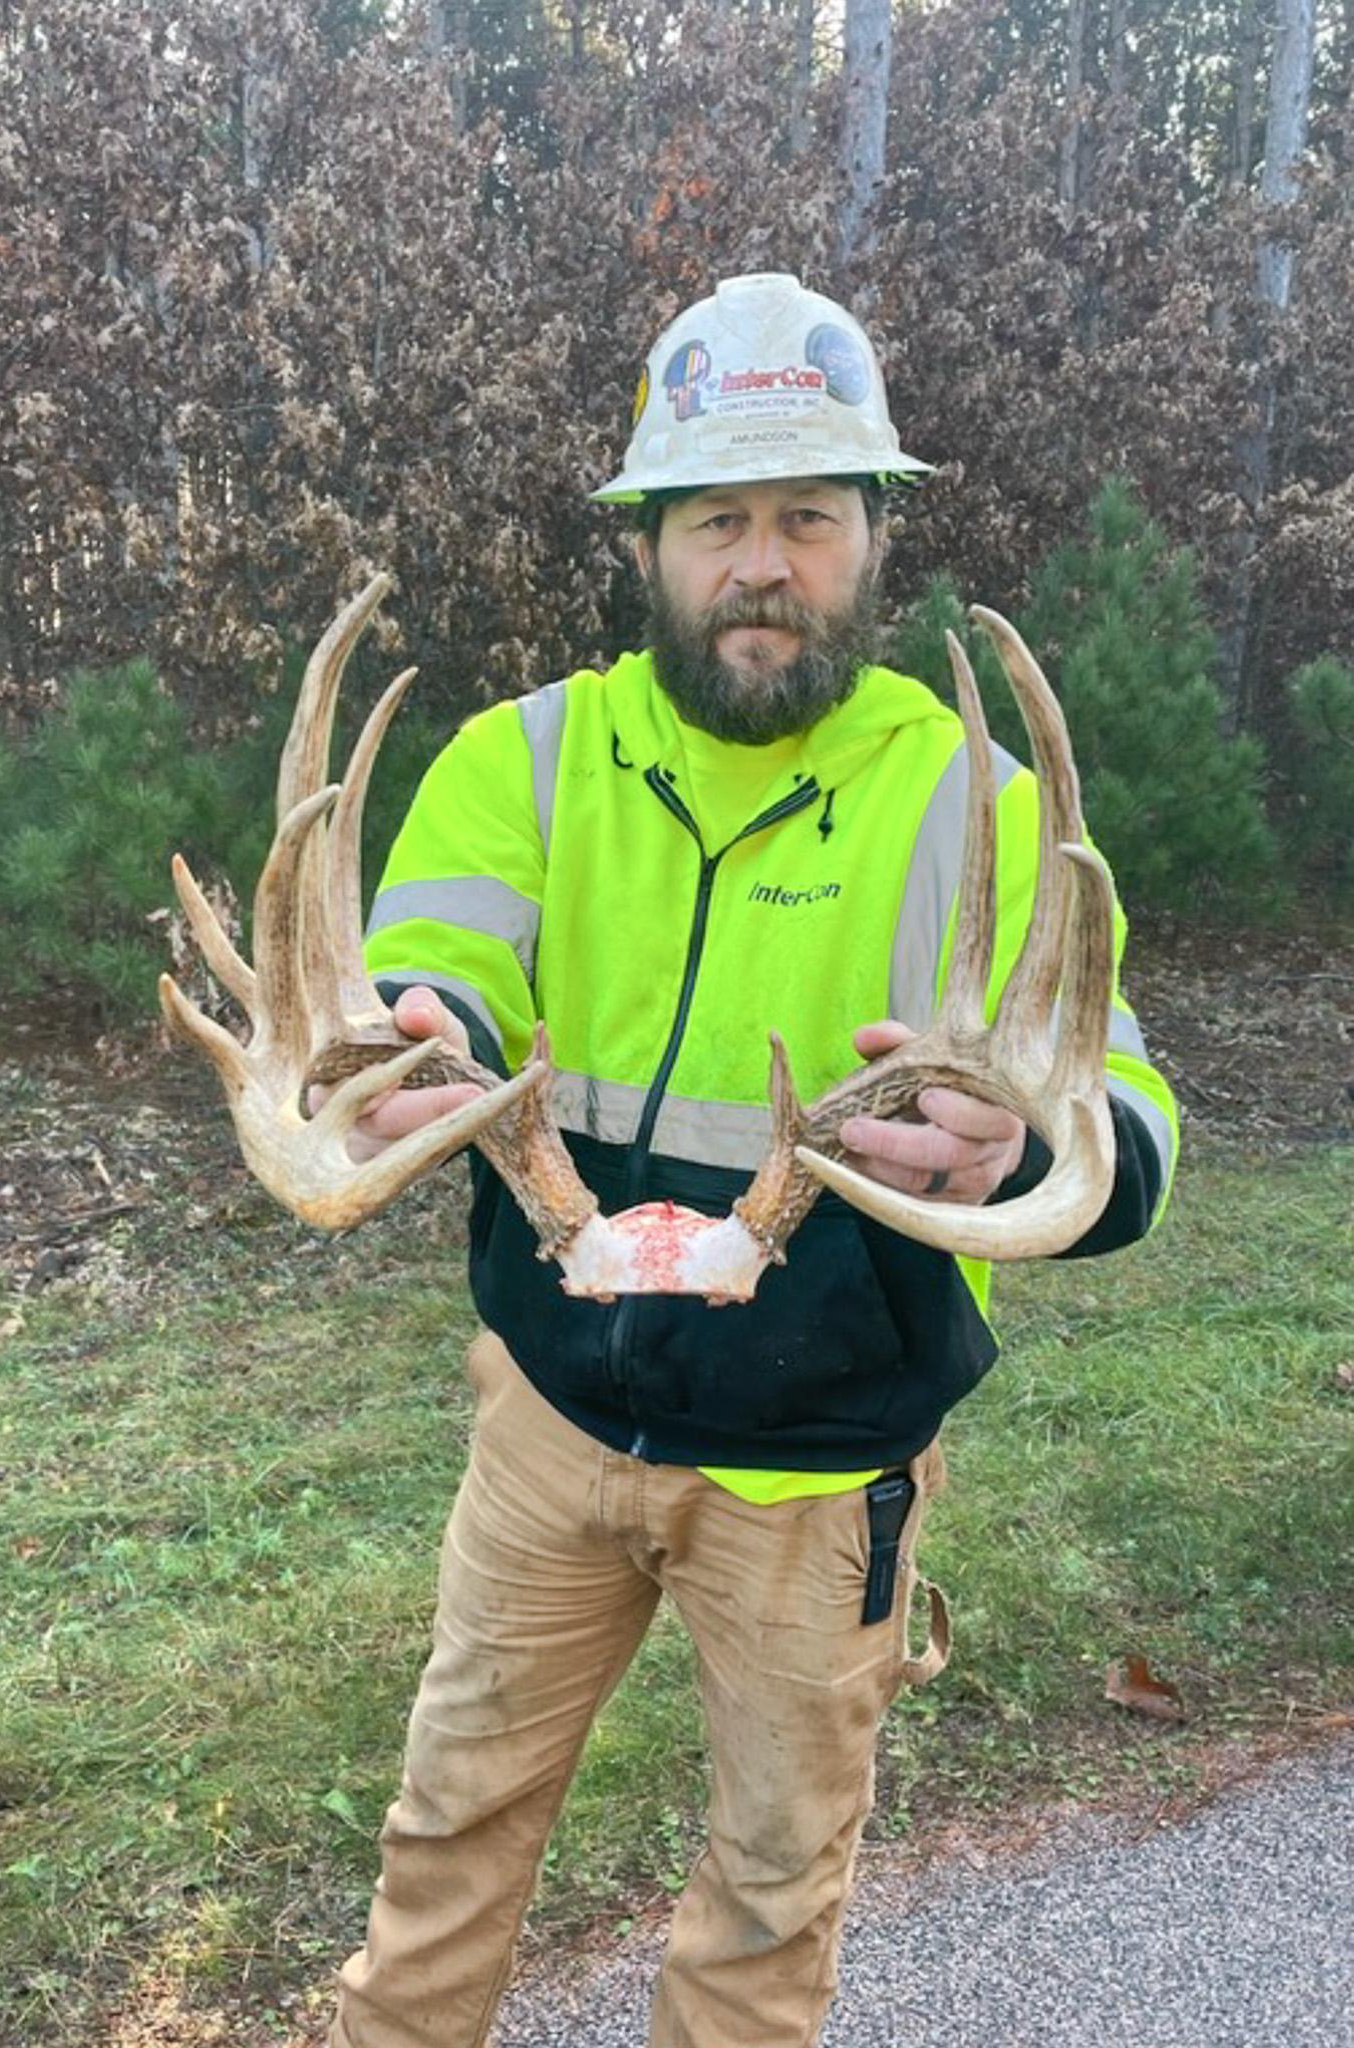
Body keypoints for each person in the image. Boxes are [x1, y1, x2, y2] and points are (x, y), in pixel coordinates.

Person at [328, 271, 1179, 2048]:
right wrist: (416, 1038)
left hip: (814, 1481)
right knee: (447, 1835)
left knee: (772, 1883)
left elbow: (1117, 1092)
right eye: (720, 518)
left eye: (810, 515)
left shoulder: (974, 805)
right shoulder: (527, 763)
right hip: (552, 1432)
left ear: (875, 537)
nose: (765, 564)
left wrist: (1030, 1136)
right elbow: (433, 970)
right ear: (649, 543)